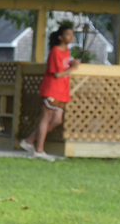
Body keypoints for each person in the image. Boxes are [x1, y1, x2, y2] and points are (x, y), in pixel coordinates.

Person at [20, 25, 79, 159]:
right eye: (68, 34)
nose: (71, 37)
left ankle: (29, 140)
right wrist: (73, 68)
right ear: (60, 37)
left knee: (57, 120)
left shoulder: (66, 51)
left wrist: (71, 63)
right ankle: (39, 151)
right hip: (52, 88)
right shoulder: (55, 51)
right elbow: (57, 74)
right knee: (46, 117)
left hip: (63, 90)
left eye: (72, 34)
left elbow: (64, 65)